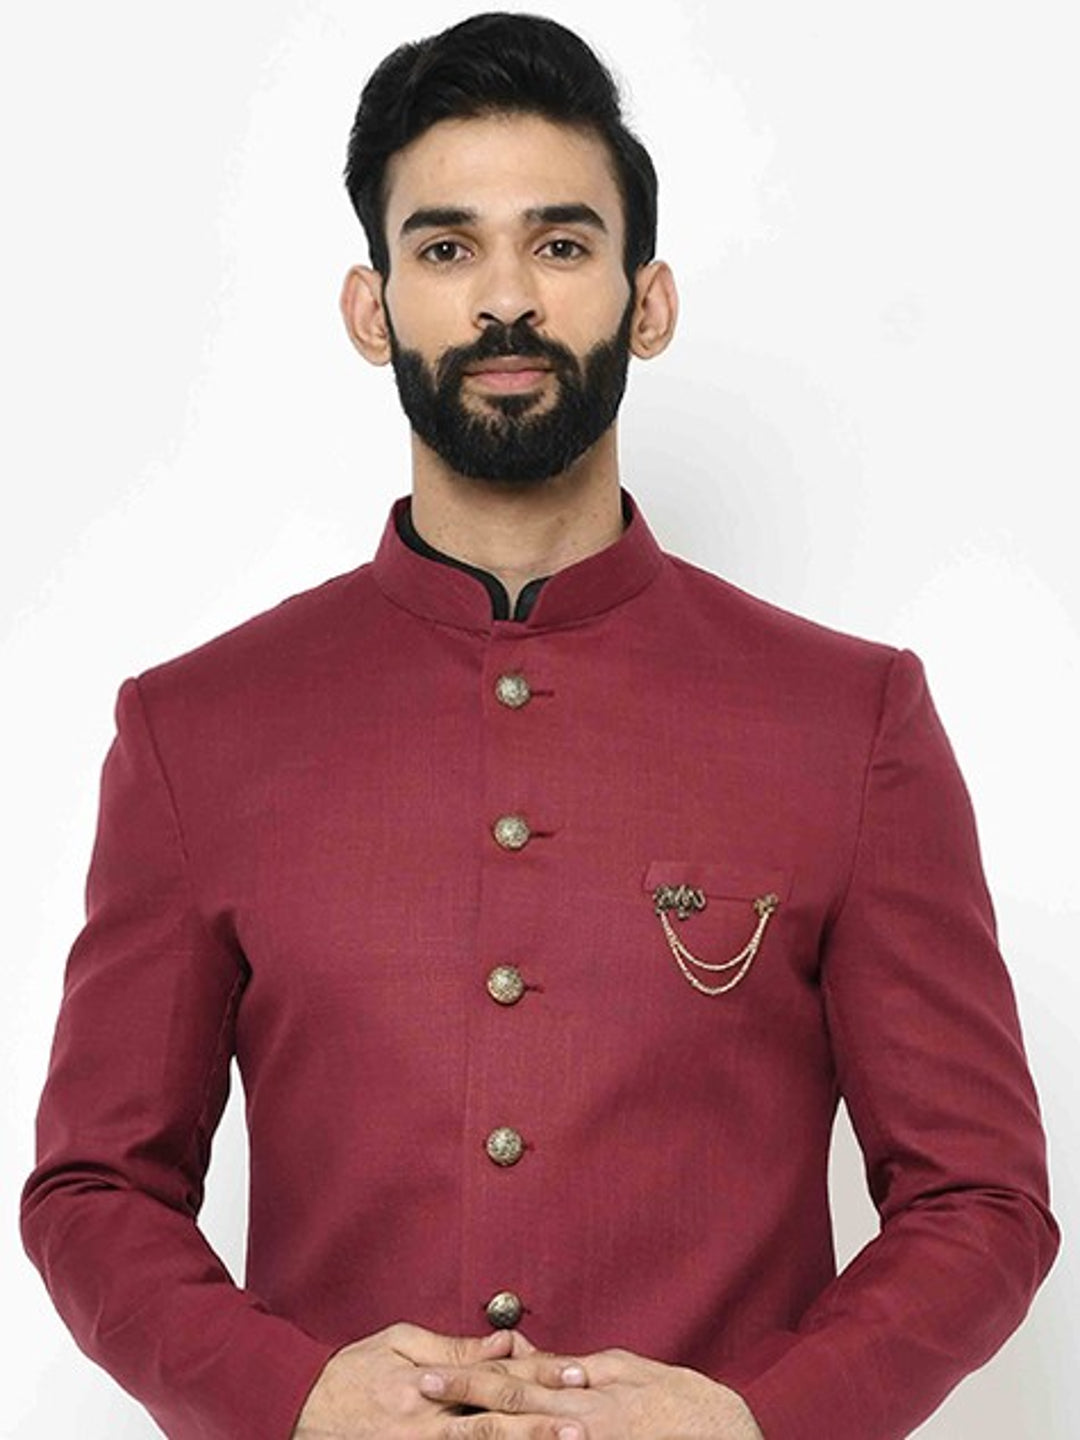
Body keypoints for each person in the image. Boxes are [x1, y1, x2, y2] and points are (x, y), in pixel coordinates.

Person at [21, 13, 1058, 1440]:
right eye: (447, 249)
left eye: (561, 245)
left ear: (649, 302)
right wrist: (293, 1397)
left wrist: (758, 1422)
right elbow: (95, 1190)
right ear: (371, 309)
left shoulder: (851, 717)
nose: (505, 300)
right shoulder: (195, 728)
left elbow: (980, 1200)